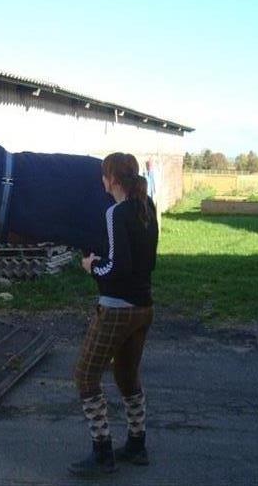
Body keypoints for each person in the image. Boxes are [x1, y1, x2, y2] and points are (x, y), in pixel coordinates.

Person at [69, 152, 159, 478]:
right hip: (144, 308)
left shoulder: (115, 213)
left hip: (116, 309)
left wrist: (91, 265)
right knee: (126, 377)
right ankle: (137, 444)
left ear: (113, 180)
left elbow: (116, 268)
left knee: (85, 375)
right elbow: (143, 264)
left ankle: (102, 451)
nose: (102, 182)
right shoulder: (149, 208)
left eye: (104, 176)